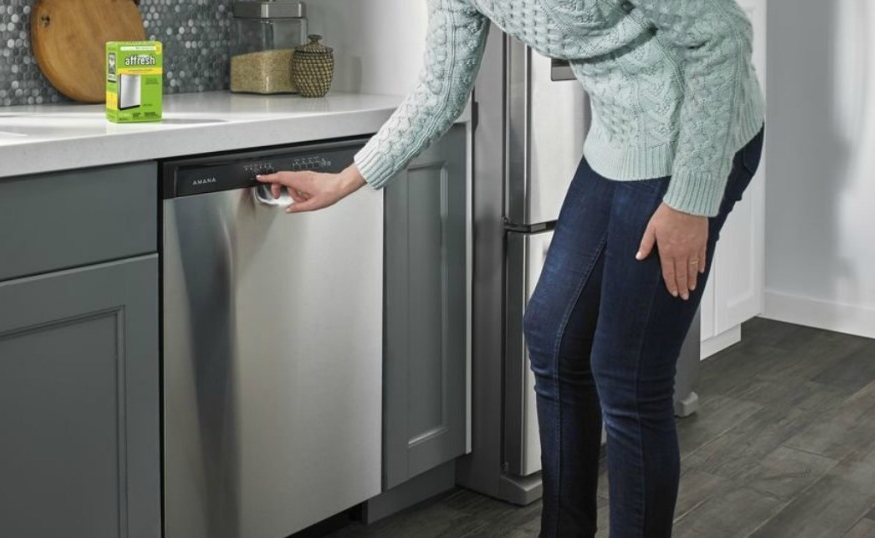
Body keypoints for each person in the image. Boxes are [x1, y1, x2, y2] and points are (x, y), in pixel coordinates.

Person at [259, 0, 765, 536]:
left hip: (700, 140)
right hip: (618, 139)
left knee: (628, 374)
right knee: (553, 337)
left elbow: (721, 38)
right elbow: (439, 92)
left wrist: (690, 199)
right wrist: (346, 179)